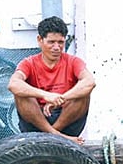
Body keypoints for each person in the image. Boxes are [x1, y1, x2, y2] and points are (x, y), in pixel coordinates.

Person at [8, 15, 96, 144]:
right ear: (40, 40)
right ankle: (55, 135)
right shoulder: (29, 63)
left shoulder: (73, 61)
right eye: (51, 42)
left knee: (83, 94)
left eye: (60, 42)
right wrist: (46, 95)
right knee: (21, 94)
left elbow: (90, 82)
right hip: (36, 122)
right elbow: (13, 84)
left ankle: (51, 134)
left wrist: (61, 99)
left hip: (66, 122)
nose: (56, 47)